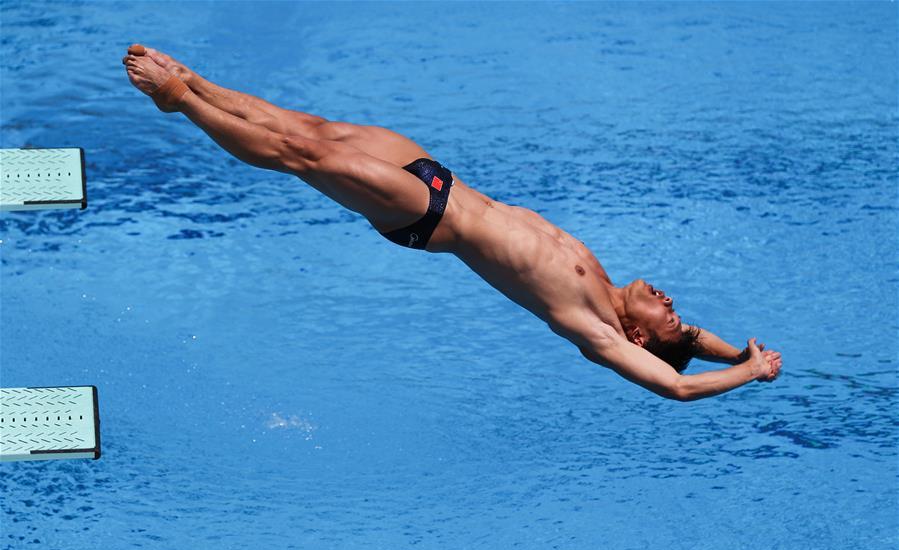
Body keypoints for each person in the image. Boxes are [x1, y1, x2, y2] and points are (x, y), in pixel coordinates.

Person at [122, 44, 782, 401]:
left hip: (426, 217)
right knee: (309, 127)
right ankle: (197, 82)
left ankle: (176, 99)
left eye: (667, 314)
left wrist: (745, 376)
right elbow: (690, 344)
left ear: (637, 335)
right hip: (441, 179)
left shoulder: (595, 329)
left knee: (302, 156)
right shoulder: (616, 296)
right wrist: (744, 353)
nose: (671, 302)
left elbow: (674, 383)